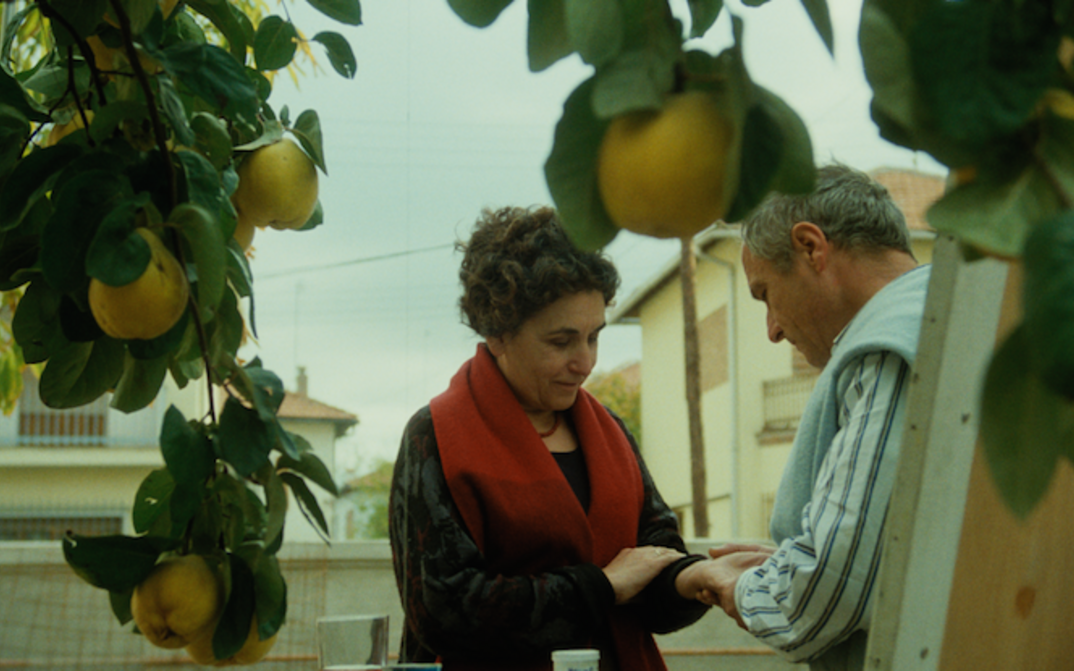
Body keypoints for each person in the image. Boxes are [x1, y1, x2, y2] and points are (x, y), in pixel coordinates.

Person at [389, 206, 709, 671]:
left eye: (594, 337)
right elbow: (443, 609)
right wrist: (599, 587)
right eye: (561, 342)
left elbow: (653, 558)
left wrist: (697, 577)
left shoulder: (611, 432)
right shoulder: (435, 436)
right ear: (497, 334)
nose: (586, 363)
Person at [675, 164, 930, 671]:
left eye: (766, 293)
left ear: (811, 247)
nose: (772, 329)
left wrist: (734, 583)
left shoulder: (886, 349)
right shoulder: (950, 318)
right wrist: (791, 558)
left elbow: (825, 599)